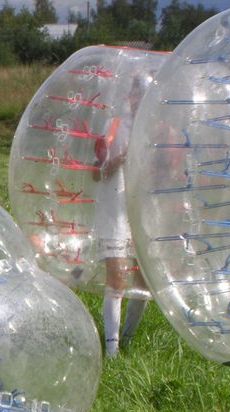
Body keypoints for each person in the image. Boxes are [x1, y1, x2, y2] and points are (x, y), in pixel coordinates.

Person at [92, 75, 150, 357]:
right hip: (114, 211)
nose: (139, 100)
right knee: (116, 280)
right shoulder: (114, 127)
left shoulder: (158, 129)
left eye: (146, 94)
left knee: (144, 282)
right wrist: (117, 160)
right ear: (129, 97)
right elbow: (94, 171)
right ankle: (112, 350)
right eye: (136, 94)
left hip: (145, 213)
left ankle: (127, 338)